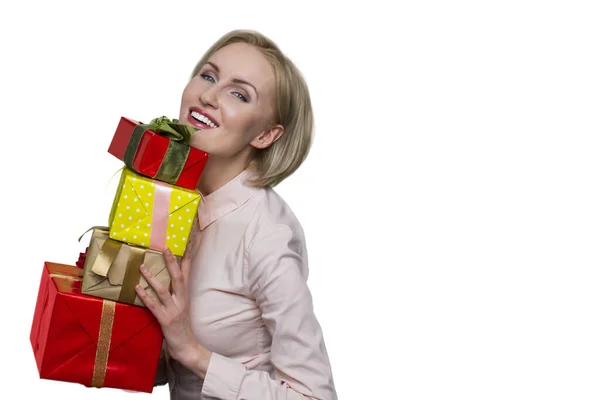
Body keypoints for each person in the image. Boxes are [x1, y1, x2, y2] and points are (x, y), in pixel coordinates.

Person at [133, 29, 338, 400]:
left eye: (239, 94)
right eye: (208, 76)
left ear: (265, 135)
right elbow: (165, 363)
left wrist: (193, 353)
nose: (208, 96)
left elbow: (316, 396)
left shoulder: (266, 235)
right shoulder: (173, 202)